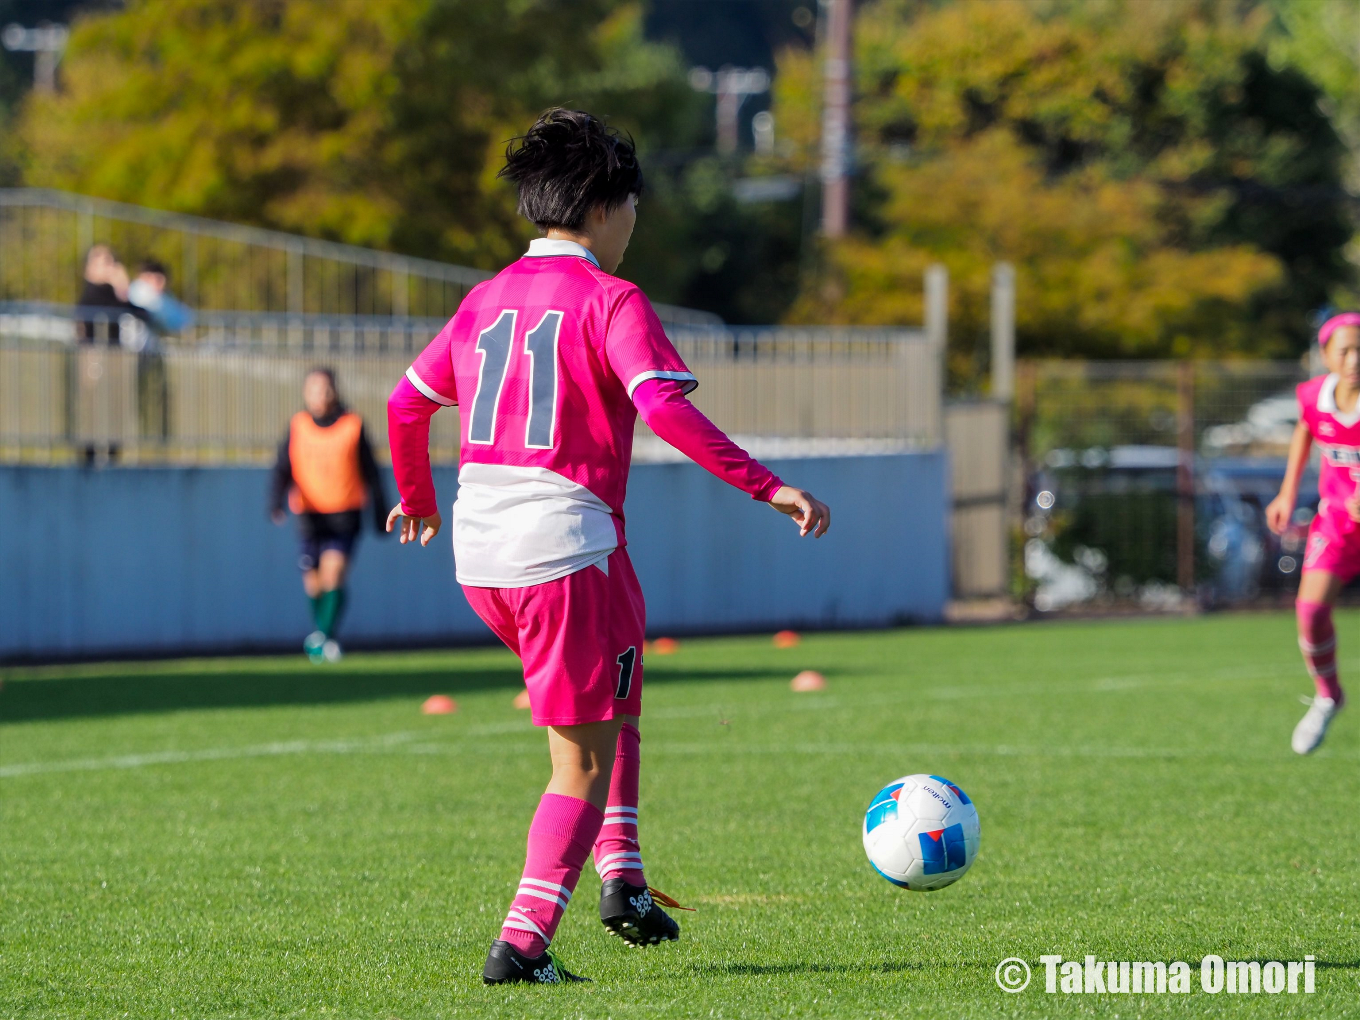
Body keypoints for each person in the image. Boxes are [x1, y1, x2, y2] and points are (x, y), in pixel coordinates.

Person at [386, 108, 831, 985]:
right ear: (601, 207)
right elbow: (663, 407)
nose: (635, 222)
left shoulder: (485, 299)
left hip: (485, 552)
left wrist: (416, 498)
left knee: (619, 677)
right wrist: (767, 485)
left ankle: (622, 876)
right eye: (632, 205)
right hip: (560, 548)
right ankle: (523, 944)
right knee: (579, 759)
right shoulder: (610, 299)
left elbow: (407, 404)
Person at [1266, 312, 1357, 753]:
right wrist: (1287, 493)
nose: (1356, 359)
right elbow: (1306, 427)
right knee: (1311, 612)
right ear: (1326, 356)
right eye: (1346, 350)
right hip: (1338, 522)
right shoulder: (1313, 396)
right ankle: (1328, 696)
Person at [270, 367, 388, 663]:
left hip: (344, 513)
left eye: (324, 389)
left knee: (332, 574)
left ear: (334, 391)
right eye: (313, 389)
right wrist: (275, 502)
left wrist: (380, 511)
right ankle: (326, 637)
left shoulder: (352, 424)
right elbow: (282, 466)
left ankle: (321, 638)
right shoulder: (298, 425)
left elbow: (372, 472)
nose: (319, 395)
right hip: (309, 515)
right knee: (313, 582)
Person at [128, 259, 195, 335]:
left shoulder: (161, 297)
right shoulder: (139, 289)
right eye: (157, 279)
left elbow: (183, 318)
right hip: (132, 339)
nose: (160, 284)